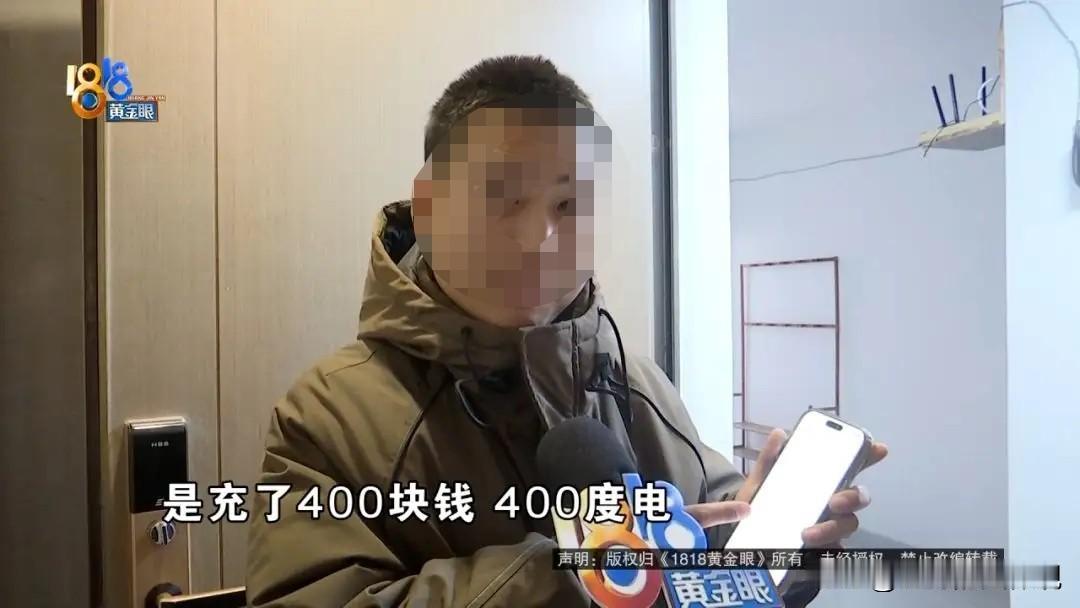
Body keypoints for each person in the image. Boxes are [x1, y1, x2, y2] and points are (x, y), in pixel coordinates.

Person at [245, 55, 887, 607]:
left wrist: (769, 549)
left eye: (569, 203)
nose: (539, 237)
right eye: (502, 198)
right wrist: (578, 577)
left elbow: (704, 545)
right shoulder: (325, 418)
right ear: (430, 207)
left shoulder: (640, 384)